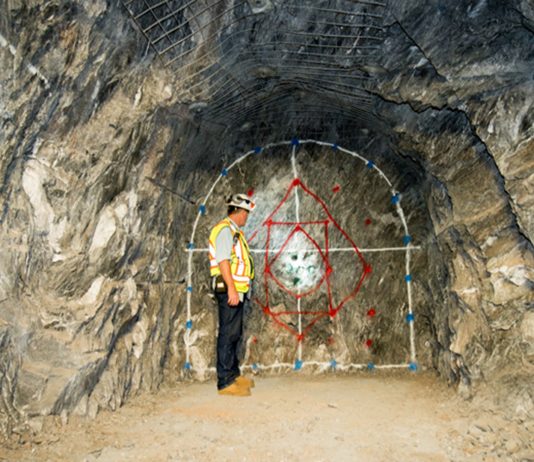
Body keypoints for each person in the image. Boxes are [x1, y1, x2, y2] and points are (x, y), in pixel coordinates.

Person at [208, 193, 256, 396]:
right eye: (246, 213)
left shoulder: (234, 232)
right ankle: (225, 382)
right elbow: (223, 261)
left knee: (234, 333)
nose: (247, 217)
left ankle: (233, 375)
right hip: (229, 290)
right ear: (238, 211)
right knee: (228, 334)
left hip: (237, 290)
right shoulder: (224, 231)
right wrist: (232, 288)